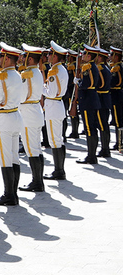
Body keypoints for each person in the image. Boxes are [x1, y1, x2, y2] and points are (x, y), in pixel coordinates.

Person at [0, 43, 25, 206]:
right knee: (14, 157)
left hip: (4, 118)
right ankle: (13, 193)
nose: (0, 59)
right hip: (16, 115)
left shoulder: (1, 76)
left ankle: (8, 194)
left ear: (8, 58)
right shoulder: (18, 75)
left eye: (2, 56)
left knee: (5, 158)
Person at [18, 45, 47, 193]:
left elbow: (22, 97)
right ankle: (39, 181)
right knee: (36, 148)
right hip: (34, 111)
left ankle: (36, 182)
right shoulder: (38, 72)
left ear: (30, 58)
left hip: (28, 113)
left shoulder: (27, 74)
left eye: (24, 56)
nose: (21, 59)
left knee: (31, 150)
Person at [43, 42, 70, 181]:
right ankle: (59, 169)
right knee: (58, 140)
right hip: (57, 106)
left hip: (53, 106)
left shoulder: (54, 71)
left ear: (55, 56)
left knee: (55, 141)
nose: (47, 56)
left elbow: (51, 93)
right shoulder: (61, 69)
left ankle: (58, 170)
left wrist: (40, 88)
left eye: (49, 54)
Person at [76, 45, 102, 164]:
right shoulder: (92, 66)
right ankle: (92, 155)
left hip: (88, 100)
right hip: (92, 100)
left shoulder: (88, 67)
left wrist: (78, 82)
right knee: (92, 128)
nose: (82, 56)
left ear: (89, 56)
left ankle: (91, 156)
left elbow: (88, 84)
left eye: (84, 54)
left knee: (89, 129)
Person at [95, 49, 113, 158]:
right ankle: (105, 148)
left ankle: (105, 149)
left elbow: (100, 84)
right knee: (104, 124)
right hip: (105, 98)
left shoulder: (101, 69)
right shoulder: (105, 67)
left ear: (100, 57)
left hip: (101, 98)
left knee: (102, 125)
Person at [110, 46, 123, 151]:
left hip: (116, 96)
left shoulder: (116, 68)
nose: (110, 57)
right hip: (119, 95)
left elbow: (113, 82)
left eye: (111, 55)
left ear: (116, 57)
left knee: (118, 121)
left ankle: (120, 143)